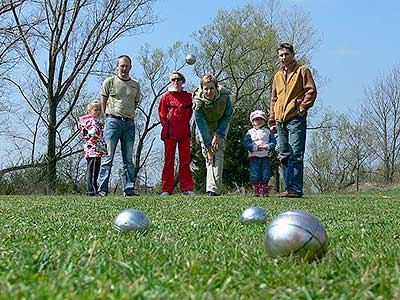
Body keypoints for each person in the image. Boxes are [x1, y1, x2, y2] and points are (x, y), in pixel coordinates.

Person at [269, 43, 317, 198]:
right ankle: (288, 188)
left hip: (296, 117)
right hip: (279, 119)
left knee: (296, 153)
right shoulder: (277, 75)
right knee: (284, 154)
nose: (283, 58)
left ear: (293, 54)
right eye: (281, 55)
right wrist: (272, 119)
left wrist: (303, 107)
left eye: (286, 54)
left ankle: (295, 189)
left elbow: (311, 90)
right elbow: (274, 98)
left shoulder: (302, 70)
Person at [98, 55, 141, 196]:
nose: (124, 68)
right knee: (108, 157)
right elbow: (103, 100)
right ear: (117, 66)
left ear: (131, 67)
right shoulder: (109, 82)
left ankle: (128, 188)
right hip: (112, 122)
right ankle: (102, 189)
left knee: (128, 159)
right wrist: (107, 116)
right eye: (122, 65)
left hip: (129, 123)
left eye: (127, 66)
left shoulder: (135, 84)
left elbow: (135, 103)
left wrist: (129, 115)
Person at [193, 74, 234, 196]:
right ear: (202, 88)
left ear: (216, 87)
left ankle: (215, 189)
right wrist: (207, 145)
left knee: (218, 153)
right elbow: (200, 125)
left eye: (211, 88)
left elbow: (228, 115)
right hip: (205, 127)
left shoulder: (225, 97)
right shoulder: (197, 102)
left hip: (221, 125)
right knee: (209, 156)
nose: (209, 91)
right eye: (206, 89)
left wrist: (218, 135)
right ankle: (210, 189)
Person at [158, 71, 195, 196]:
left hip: (184, 133)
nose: (176, 81)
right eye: (173, 79)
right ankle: (166, 189)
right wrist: (168, 126)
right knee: (169, 161)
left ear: (183, 81)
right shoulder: (166, 97)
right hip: (170, 134)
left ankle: (186, 188)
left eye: (178, 79)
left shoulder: (189, 96)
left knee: (185, 161)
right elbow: (162, 115)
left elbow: (190, 114)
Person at [243, 110, 276, 197]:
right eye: (256, 119)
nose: (258, 121)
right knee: (254, 174)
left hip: (265, 156)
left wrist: (268, 146)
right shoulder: (249, 132)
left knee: (266, 174)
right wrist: (255, 147)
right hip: (254, 156)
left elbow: (273, 142)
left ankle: (265, 191)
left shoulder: (268, 132)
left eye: (261, 119)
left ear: (264, 121)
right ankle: (256, 191)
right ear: (253, 121)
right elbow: (246, 143)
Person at [79, 100, 107, 196]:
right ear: (89, 110)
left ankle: (93, 188)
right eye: (95, 110)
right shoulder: (89, 121)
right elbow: (92, 135)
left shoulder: (97, 121)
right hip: (92, 150)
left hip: (97, 150)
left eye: (100, 110)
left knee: (96, 170)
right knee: (92, 170)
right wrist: (100, 144)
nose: (98, 112)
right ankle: (91, 190)